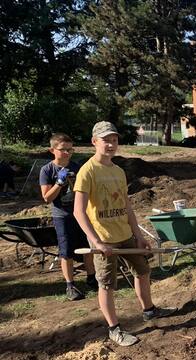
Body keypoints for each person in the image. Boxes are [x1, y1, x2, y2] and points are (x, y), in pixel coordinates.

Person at [73, 121, 178, 347]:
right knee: (107, 285)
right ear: (94, 142)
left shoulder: (119, 171)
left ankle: (149, 310)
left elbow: (127, 206)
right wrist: (96, 241)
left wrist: (138, 234)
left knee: (142, 270)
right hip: (103, 239)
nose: (111, 144)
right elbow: (78, 211)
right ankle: (114, 329)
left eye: (114, 140)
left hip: (125, 234)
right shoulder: (87, 171)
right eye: (105, 140)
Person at [39, 133, 97, 301]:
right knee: (66, 252)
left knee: (88, 247)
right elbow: (46, 198)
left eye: (70, 149)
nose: (67, 153)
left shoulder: (77, 167)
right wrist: (58, 183)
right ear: (52, 150)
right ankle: (70, 285)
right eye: (63, 150)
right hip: (62, 215)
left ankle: (92, 278)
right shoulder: (47, 170)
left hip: (81, 214)